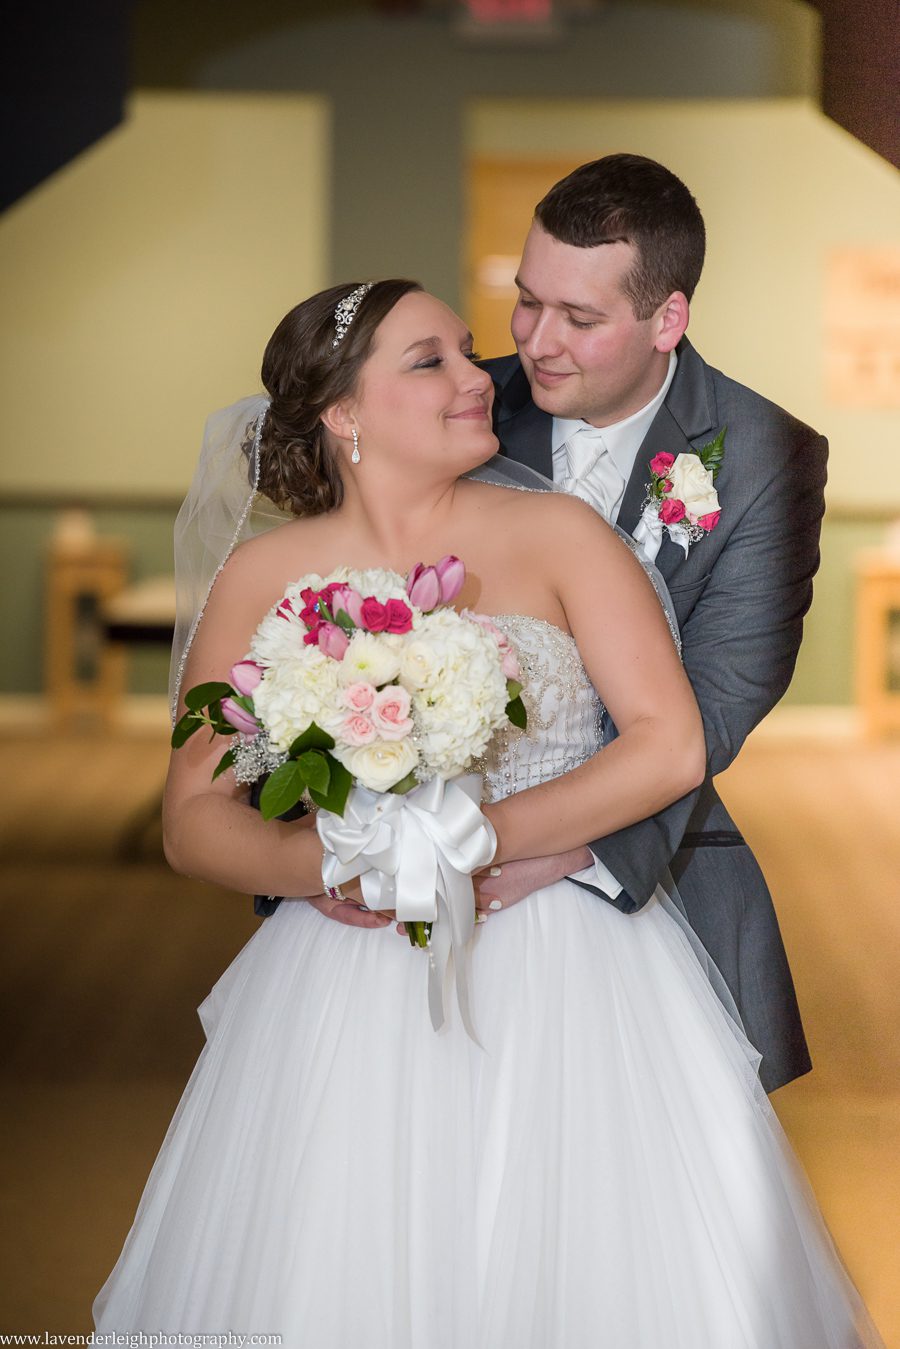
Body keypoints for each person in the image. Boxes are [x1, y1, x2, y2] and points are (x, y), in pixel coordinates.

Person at [93, 281, 881, 1346]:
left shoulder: (559, 536)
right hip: (343, 976)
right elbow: (192, 814)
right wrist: (336, 860)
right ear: (344, 413)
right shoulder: (265, 575)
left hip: (571, 966)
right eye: (432, 362)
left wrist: (468, 845)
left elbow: (670, 741)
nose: (480, 379)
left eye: (468, 351)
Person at [479, 153, 827, 1094]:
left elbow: (720, 699)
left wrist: (557, 843)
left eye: (580, 318)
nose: (536, 341)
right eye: (527, 300)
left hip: (637, 864)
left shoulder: (763, 453)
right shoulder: (457, 409)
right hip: (432, 856)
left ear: (667, 318)